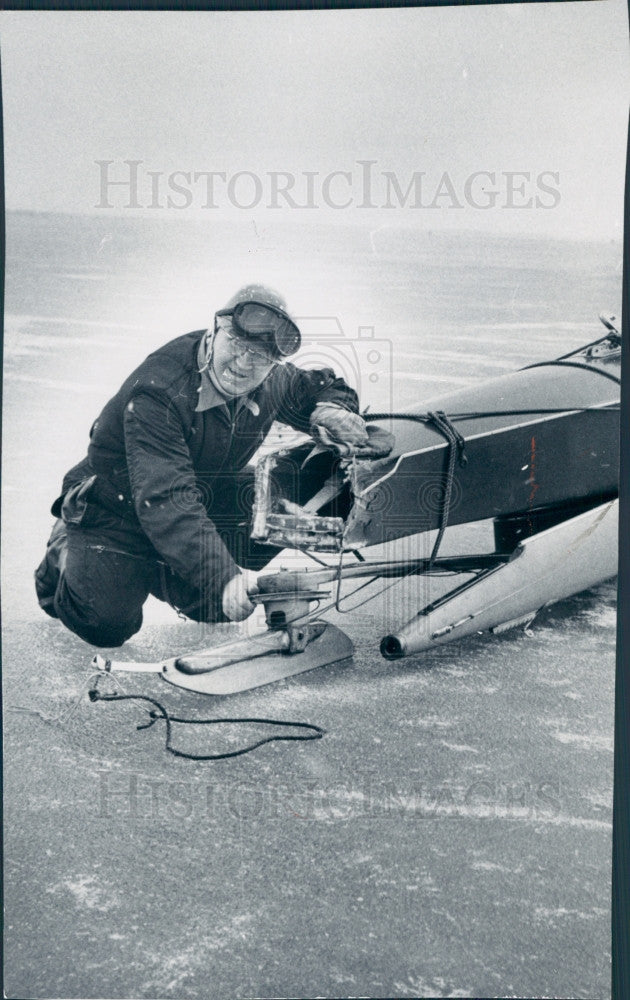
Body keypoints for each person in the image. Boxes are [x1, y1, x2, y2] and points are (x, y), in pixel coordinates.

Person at [34, 285, 370, 648]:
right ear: (215, 331)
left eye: (259, 356)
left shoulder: (272, 380)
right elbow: (165, 499)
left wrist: (332, 408)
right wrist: (222, 576)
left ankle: (166, 566)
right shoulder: (159, 392)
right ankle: (65, 552)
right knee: (106, 623)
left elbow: (319, 385)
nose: (243, 364)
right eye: (236, 346)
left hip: (198, 493)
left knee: (214, 606)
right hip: (117, 509)